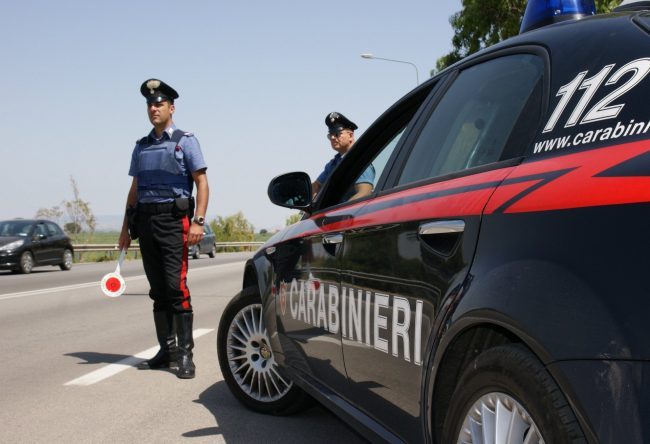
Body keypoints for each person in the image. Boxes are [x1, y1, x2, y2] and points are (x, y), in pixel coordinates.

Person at [118, 78, 209, 379]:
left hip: (174, 222)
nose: (153, 108)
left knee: (176, 288)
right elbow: (134, 190)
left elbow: (202, 182)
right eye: (149, 104)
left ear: (171, 107)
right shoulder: (141, 146)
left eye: (159, 103)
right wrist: (124, 229)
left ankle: (185, 355)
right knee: (157, 290)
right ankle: (166, 349)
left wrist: (199, 221)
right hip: (146, 221)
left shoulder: (185, 141)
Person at [312, 112, 374, 200]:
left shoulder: (359, 159)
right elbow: (316, 186)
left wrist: (344, 211)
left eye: (337, 133)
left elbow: (365, 192)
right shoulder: (334, 164)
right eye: (330, 135)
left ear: (350, 135)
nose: (333, 137)